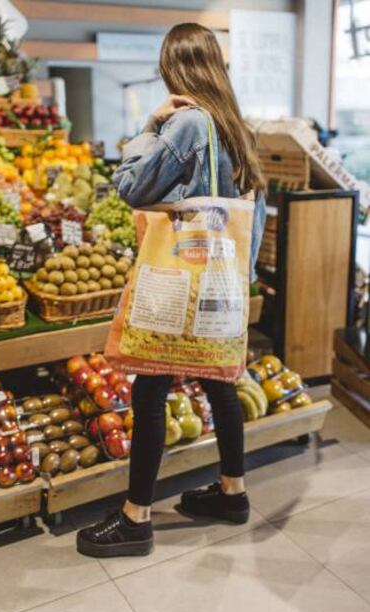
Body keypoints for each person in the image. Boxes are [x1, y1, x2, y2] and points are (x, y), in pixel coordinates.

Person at [77, 22, 266, 559]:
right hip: (221, 285)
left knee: (150, 388)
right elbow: (253, 216)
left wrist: (150, 123)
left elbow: (130, 187)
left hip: (178, 282)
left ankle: (136, 517)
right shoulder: (237, 127)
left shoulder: (184, 122)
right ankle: (233, 492)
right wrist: (239, 279)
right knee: (221, 380)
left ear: (174, 69)